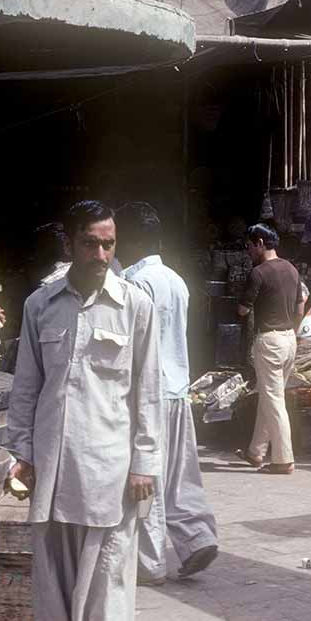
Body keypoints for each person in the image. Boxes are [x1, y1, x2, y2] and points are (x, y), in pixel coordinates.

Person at [4, 200, 160, 621]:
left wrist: (144, 461)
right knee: (53, 587)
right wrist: (23, 453)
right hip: (53, 472)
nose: (101, 255)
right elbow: (26, 387)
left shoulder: (134, 305)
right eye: (90, 244)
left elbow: (147, 389)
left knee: (106, 586)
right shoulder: (41, 305)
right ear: (71, 244)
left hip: (108, 474)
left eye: (108, 245)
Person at [115, 203, 218, 585]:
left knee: (148, 479)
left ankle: (150, 562)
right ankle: (196, 538)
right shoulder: (175, 279)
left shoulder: (133, 283)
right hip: (177, 389)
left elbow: (132, 347)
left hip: (150, 393)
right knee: (180, 476)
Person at [235, 223, 303, 475]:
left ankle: (283, 459)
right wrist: (291, 329)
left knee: (274, 401)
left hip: (270, 340)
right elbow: (300, 305)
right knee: (270, 396)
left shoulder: (259, 273)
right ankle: (256, 451)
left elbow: (242, 310)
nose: (249, 251)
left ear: (260, 243)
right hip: (289, 339)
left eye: (250, 246)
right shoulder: (292, 269)